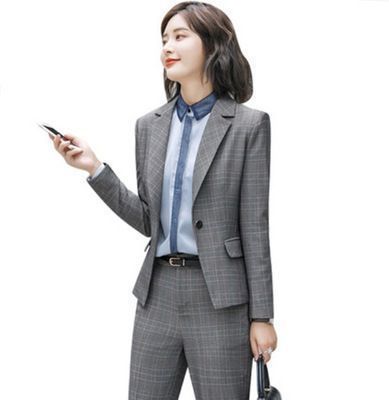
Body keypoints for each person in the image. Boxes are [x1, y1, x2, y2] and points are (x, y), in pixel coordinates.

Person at [50, 1, 278, 399]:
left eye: (180, 36)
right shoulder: (148, 127)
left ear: (212, 44)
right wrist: (93, 167)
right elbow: (147, 221)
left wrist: (262, 315)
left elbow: (254, 226)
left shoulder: (248, 125)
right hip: (157, 295)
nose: (167, 47)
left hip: (220, 300)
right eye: (164, 39)